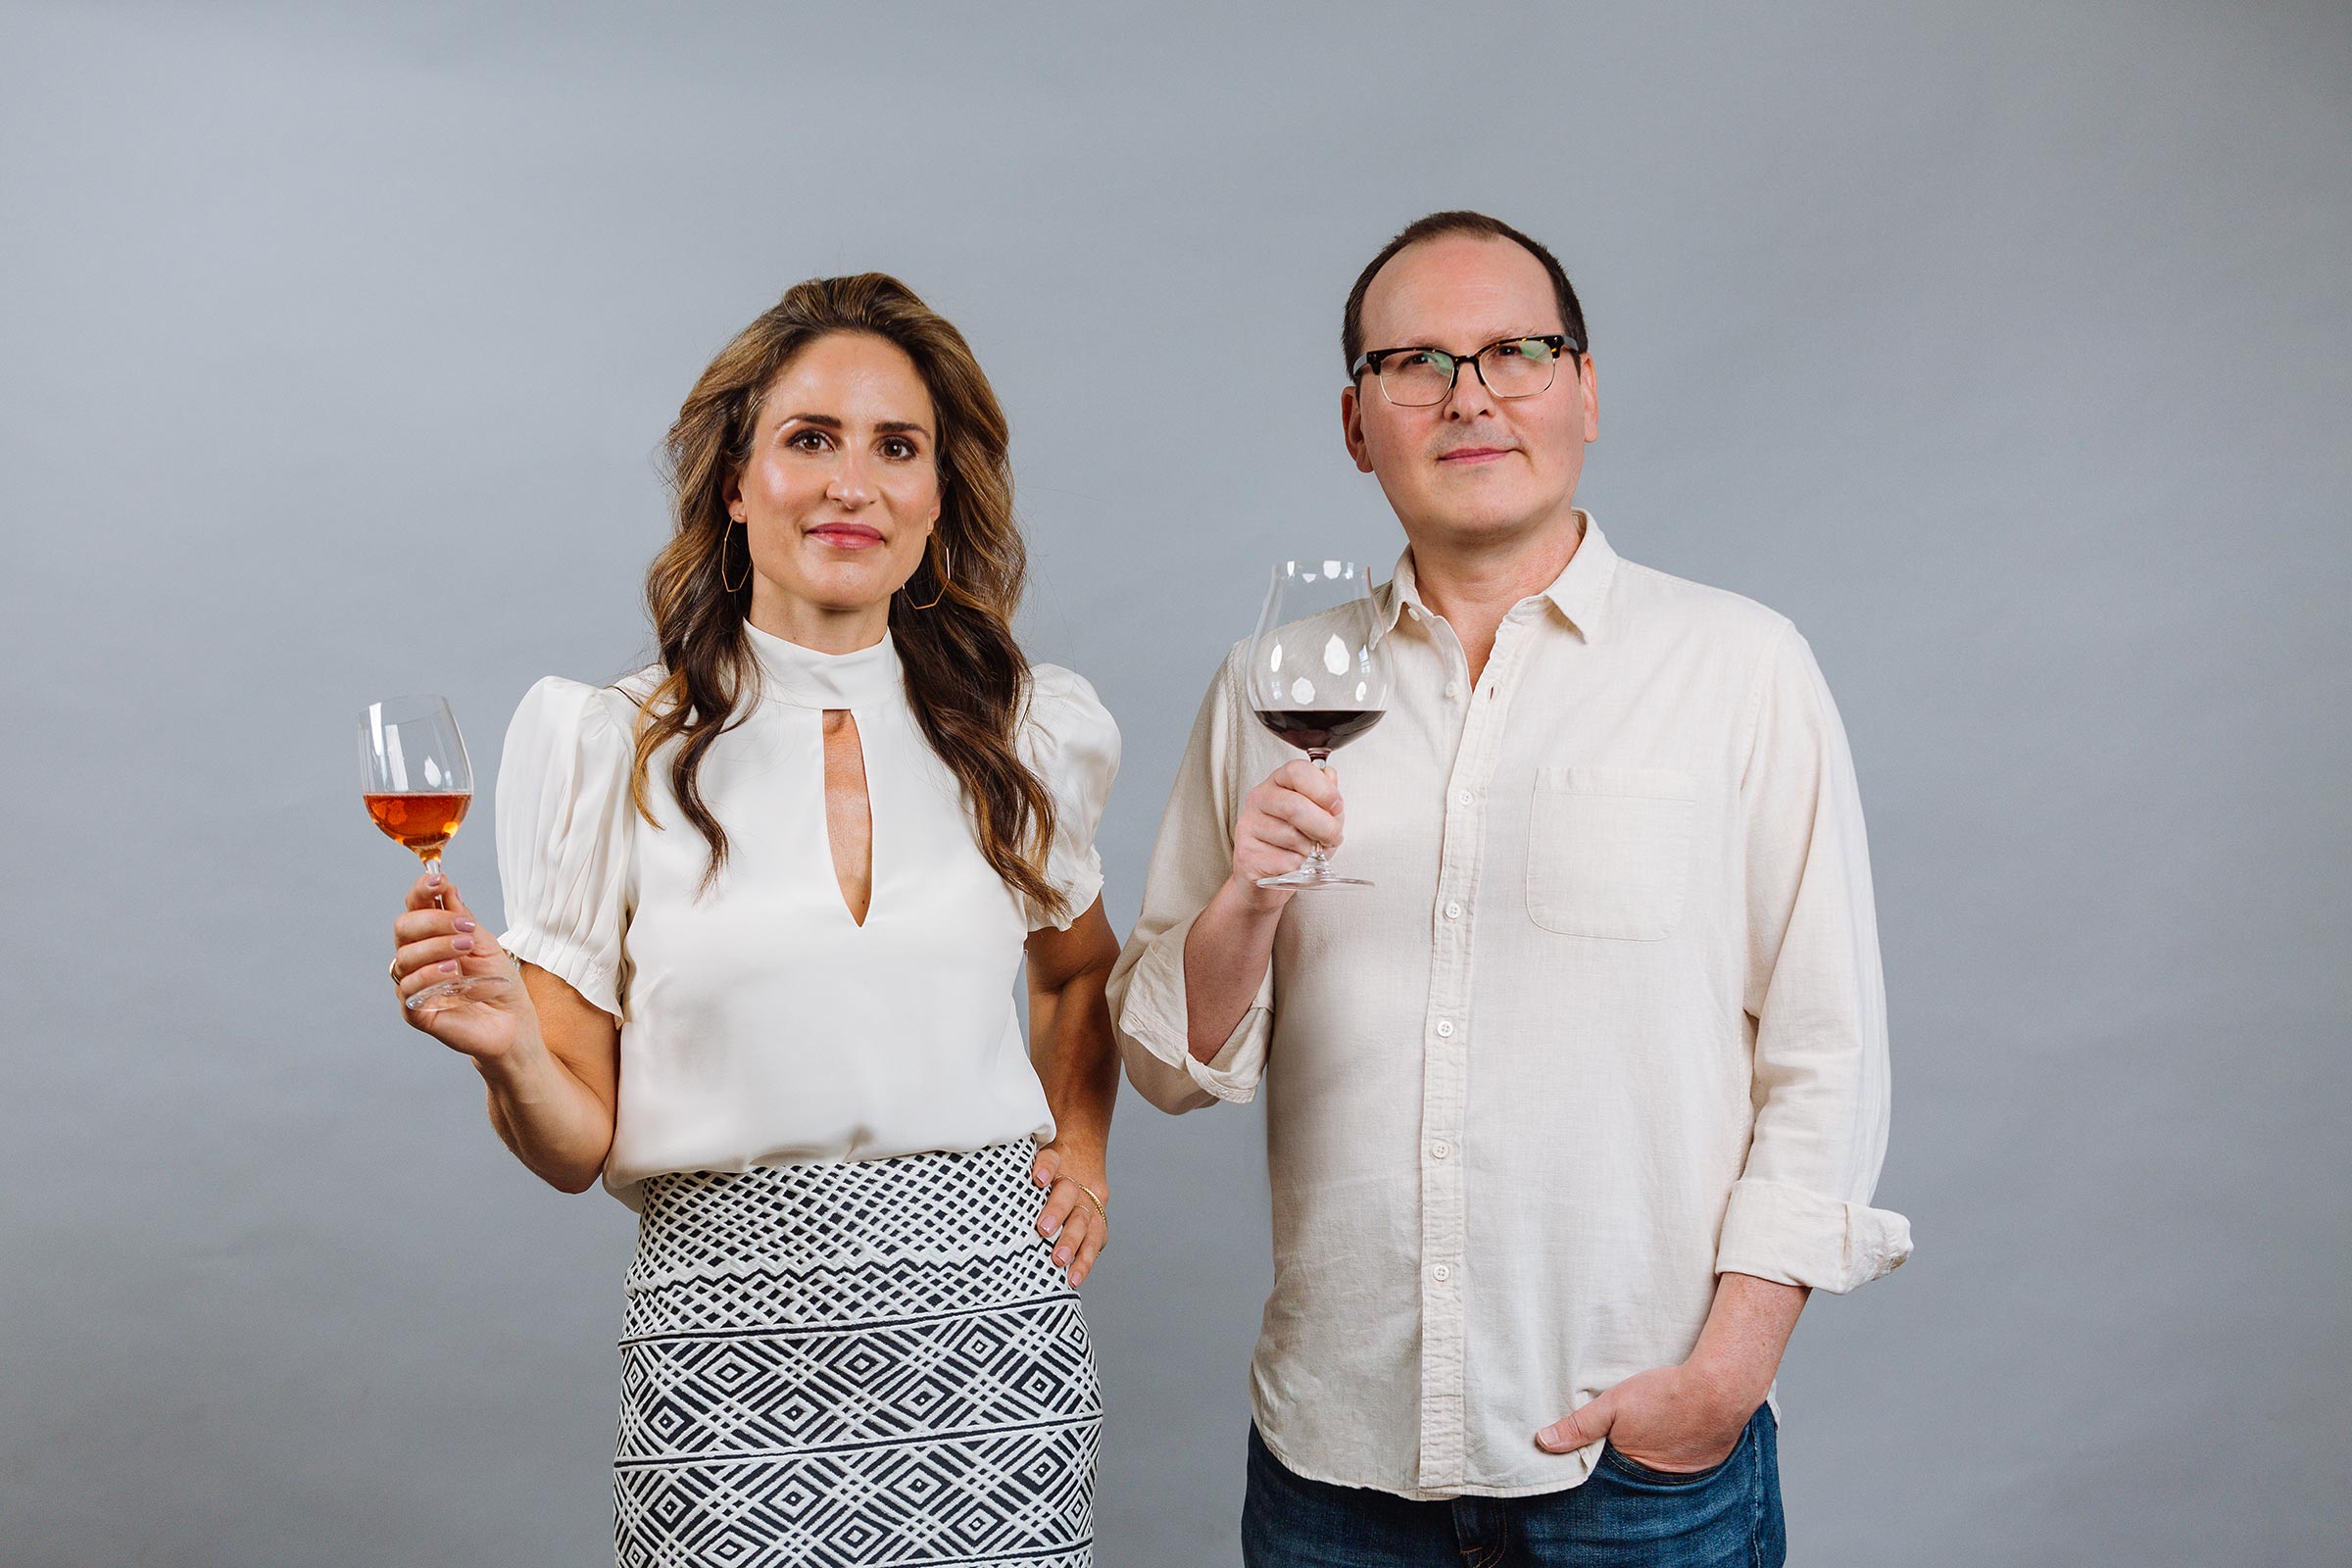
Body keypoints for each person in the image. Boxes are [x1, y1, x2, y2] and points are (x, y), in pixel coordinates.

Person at [1107, 212, 1912, 1566]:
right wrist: (1246, 898)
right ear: (1358, 423)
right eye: (1415, 361)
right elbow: (1172, 1067)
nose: (1468, 395)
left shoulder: (1740, 667)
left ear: (1584, 389)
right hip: (1335, 1465)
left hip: (1639, 1469)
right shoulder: (1276, 684)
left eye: (1515, 352)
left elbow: (1828, 1054)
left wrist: (1719, 1384)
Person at [386, 273, 1121, 1567]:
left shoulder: (1023, 734)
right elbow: (574, 1146)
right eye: (809, 440)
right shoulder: (610, 741)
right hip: (724, 1353)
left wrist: (1084, 1149)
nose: (855, 483)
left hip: (994, 1352)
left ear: (939, 495)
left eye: (898, 448)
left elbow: (1078, 974)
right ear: (735, 482)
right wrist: (507, 1050)